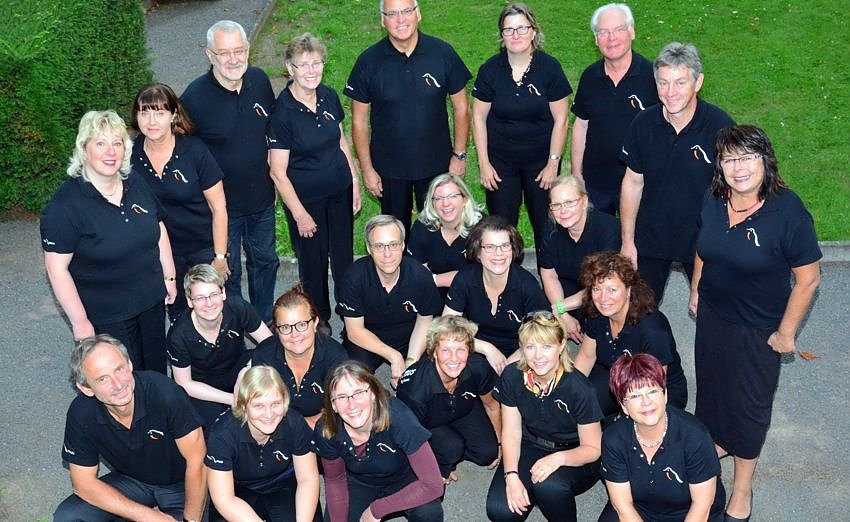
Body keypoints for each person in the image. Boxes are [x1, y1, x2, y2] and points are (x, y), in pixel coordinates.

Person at [690, 125, 821, 521]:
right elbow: (704, 247)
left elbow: (808, 279)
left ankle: (742, 487)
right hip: (714, 317)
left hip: (758, 328)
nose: (739, 167)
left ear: (765, 160)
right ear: (719, 165)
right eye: (729, 159)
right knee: (713, 389)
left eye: (747, 157)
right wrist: (696, 288)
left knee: (749, 406)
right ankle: (718, 443)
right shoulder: (715, 198)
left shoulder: (788, 212)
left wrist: (786, 333)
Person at [41, 110, 176, 373]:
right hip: (108, 316)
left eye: (117, 143)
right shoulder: (65, 207)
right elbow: (56, 269)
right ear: (84, 149)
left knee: (156, 373)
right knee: (121, 379)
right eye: (100, 143)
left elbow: (157, 225)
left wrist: (169, 276)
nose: (110, 152)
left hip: (151, 300)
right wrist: (80, 322)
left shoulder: (134, 182)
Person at [619, 42, 735, 304]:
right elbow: (633, 183)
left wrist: (726, 244)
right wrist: (627, 241)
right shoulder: (643, 124)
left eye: (680, 83)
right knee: (638, 312)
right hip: (650, 237)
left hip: (703, 241)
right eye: (663, 83)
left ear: (698, 82)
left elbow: (737, 190)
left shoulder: (721, 128)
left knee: (712, 310)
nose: (670, 92)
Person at [181, 20, 278, 323]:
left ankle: (262, 322)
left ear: (248, 50)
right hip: (222, 211)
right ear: (210, 55)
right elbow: (184, 153)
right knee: (227, 273)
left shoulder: (259, 81)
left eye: (239, 51)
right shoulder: (194, 99)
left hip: (262, 200)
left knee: (266, 262)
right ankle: (235, 325)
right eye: (225, 53)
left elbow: (273, 133)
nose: (234, 59)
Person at [345, 0, 472, 233]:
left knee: (440, 233)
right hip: (389, 170)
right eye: (392, 14)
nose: (401, 19)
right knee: (394, 235)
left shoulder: (442, 53)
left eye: (406, 11)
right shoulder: (368, 62)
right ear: (382, 20)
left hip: (437, 166)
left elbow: (462, 108)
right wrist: (367, 169)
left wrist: (460, 156)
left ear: (418, 14)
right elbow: (359, 122)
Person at [54, 335, 205, 522]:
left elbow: (197, 462)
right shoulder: (81, 413)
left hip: (181, 484)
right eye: (103, 379)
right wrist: (148, 516)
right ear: (86, 389)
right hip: (131, 481)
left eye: (119, 369)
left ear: (130, 364)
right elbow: (83, 484)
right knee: (68, 517)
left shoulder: (165, 393)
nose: (118, 385)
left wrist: (191, 521)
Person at [269, 33, 361, 334]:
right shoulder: (282, 113)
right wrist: (299, 214)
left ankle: (350, 312)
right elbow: (278, 172)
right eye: (304, 65)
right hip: (306, 202)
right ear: (290, 68)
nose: (311, 71)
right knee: (313, 262)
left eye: (317, 63)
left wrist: (354, 181)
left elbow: (341, 142)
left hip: (340, 191)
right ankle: (319, 318)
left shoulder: (329, 96)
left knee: (344, 257)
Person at [472, 2, 571, 253]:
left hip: (541, 164)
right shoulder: (489, 71)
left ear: (533, 31)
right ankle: (506, 275)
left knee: (547, 227)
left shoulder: (550, 68)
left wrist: (553, 164)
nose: (515, 35)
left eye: (522, 28)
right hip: (500, 165)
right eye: (509, 30)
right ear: (502, 35)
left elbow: (561, 119)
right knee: (501, 229)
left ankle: (549, 276)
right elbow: (479, 118)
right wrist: (484, 164)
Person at [485, 311, 602, 522]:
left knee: (548, 486)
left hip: (575, 451)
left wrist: (559, 459)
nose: (538, 356)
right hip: (532, 442)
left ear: (561, 346)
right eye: (530, 347)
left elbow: (593, 449)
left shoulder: (580, 388)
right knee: (500, 511)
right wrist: (511, 476)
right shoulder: (512, 376)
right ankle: (534, 491)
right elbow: (511, 433)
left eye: (546, 346)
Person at [131, 82, 229, 322]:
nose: (151, 121)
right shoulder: (130, 156)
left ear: (173, 115)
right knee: (179, 318)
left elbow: (219, 209)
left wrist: (219, 257)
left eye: (159, 113)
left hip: (203, 248)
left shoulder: (194, 151)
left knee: (215, 315)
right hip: (161, 255)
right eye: (144, 112)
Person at [598, 353, 724, 522]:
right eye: (635, 396)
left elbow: (701, 506)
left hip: (689, 512)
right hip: (640, 508)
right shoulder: (614, 439)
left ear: (665, 395)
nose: (646, 402)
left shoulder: (695, 436)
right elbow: (623, 506)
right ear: (623, 406)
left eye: (652, 391)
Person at [315, 360, 444, 522]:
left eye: (359, 393)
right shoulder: (327, 429)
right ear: (332, 404)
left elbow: (433, 485)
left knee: (428, 512)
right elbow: (335, 479)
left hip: (403, 478)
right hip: (359, 481)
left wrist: (376, 510)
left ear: (373, 393)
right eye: (341, 397)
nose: (352, 405)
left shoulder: (400, 418)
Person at [570, 3, 660, 215]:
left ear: (632, 32)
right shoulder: (590, 77)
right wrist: (576, 174)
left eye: (619, 29)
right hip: (596, 183)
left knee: (637, 235)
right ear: (596, 39)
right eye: (603, 32)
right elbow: (581, 125)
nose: (611, 38)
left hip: (642, 182)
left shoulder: (654, 77)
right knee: (598, 235)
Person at [575, 251, 687, 418]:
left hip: (654, 390)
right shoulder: (597, 314)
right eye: (597, 289)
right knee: (580, 405)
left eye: (612, 290)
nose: (603, 298)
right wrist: (568, 393)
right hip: (614, 376)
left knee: (626, 430)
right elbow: (586, 356)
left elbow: (653, 389)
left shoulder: (652, 329)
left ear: (628, 290)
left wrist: (626, 415)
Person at [336, 215, 442, 387]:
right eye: (379, 246)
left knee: (427, 381)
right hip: (367, 337)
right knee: (349, 380)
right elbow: (354, 331)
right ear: (369, 248)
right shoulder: (353, 277)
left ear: (403, 245)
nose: (387, 254)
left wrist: (410, 362)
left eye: (393, 244)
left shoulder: (421, 277)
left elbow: (424, 322)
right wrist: (394, 356)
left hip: (409, 337)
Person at [205, 365, 321, 522]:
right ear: (244, 406)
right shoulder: (222, 433)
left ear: (285, 402)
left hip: (283, 482)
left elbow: (307, 479)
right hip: (238, 488)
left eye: (276, 404)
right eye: (259, 406)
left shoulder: (294, 422)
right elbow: (224, 499)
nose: (269, 414)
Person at [396, 315, 501, 483]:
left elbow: (492, 405)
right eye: (445, 350)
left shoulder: (478, 366)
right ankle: (445, 454)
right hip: (427, 421)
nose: (454, 358)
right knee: (452, 448)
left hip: (463, 405)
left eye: (461, 350)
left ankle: (453, 449)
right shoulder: (415, 390)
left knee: (487, 453)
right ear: (434, 352)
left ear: (469, 351)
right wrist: (435, 466)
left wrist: (499, 442)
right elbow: (409, 436)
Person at [167, 264, 273, 429]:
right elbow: (185, 383)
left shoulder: (237, 306)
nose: (209, 303)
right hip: (201, 385)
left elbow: (270, 344)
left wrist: (245, 371)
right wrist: (231, 399)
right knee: (220, 427)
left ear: (223, 293)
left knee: (269, 378)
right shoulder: (178, 335)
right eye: (200, 298)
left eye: (213, 294)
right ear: (189, 301)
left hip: (236, 368)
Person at [442, 215, 550, 373]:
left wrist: (508, 366)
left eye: (505, 246)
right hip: (476, 348)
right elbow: (446, 327)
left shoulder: (527, 285)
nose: (499, 253)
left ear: (512, 250)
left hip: (520, 352)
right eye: (490, 247)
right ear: (478, 252)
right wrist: (486, 349)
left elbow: (544, 335)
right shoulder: (465, 279)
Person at [248, 284, 348, 428]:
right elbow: (261, 408)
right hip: (277, 426)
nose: (294, 335)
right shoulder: (264, 356)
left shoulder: (336, 357)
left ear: (315, 323)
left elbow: (342, 407)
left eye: (301, 325)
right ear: (277, 330)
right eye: (285, 327)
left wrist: (302, 427)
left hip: (322, 427)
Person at [538, 174, 620, 343]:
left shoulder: (608, 230)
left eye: (569, 203)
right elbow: (549, 275)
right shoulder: (550, 229)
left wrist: (560, 308)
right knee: (538, 316)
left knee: (602, 319)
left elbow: (601, 285)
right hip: (566, 290)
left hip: (600, 290)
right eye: (557, 205)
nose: (563, 211)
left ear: (584, 202)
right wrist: (563, 315)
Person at [406, 173, 483, 300]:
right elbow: (417, 272)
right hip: (433, 293)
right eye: (438, 198)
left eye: (452, 196)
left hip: (473, 293)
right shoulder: (423, 226)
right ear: (432, 203)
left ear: (465, 199)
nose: (445, 203)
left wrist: (435, 279)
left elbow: (481, 274)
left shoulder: (481, 227)